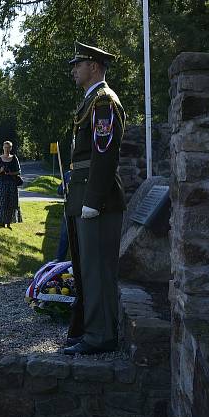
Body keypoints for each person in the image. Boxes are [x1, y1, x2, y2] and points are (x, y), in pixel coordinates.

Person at [62, 42, 126, 356]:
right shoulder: (91, 102)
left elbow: (104, 153)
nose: (74, 70)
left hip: (96, 199)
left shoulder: (104, 102)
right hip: (84, 194)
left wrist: (94, 198)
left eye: (79, 64)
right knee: (87, 268)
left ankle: (101, 336)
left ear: (95, 67)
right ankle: (90, 328)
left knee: (98, 269)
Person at [0, 140, 23, 228]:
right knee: (2, 202)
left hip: (12, 183)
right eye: (5, 147)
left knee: (11, 202)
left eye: (8, 147)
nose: (6, 149)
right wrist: (0, 171)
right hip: (2, 183)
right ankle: (2, 222)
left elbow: (19, 171)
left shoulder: (14, 158)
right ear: (3, 147)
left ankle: (9, 222)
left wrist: (11, 173)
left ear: (11, 148)